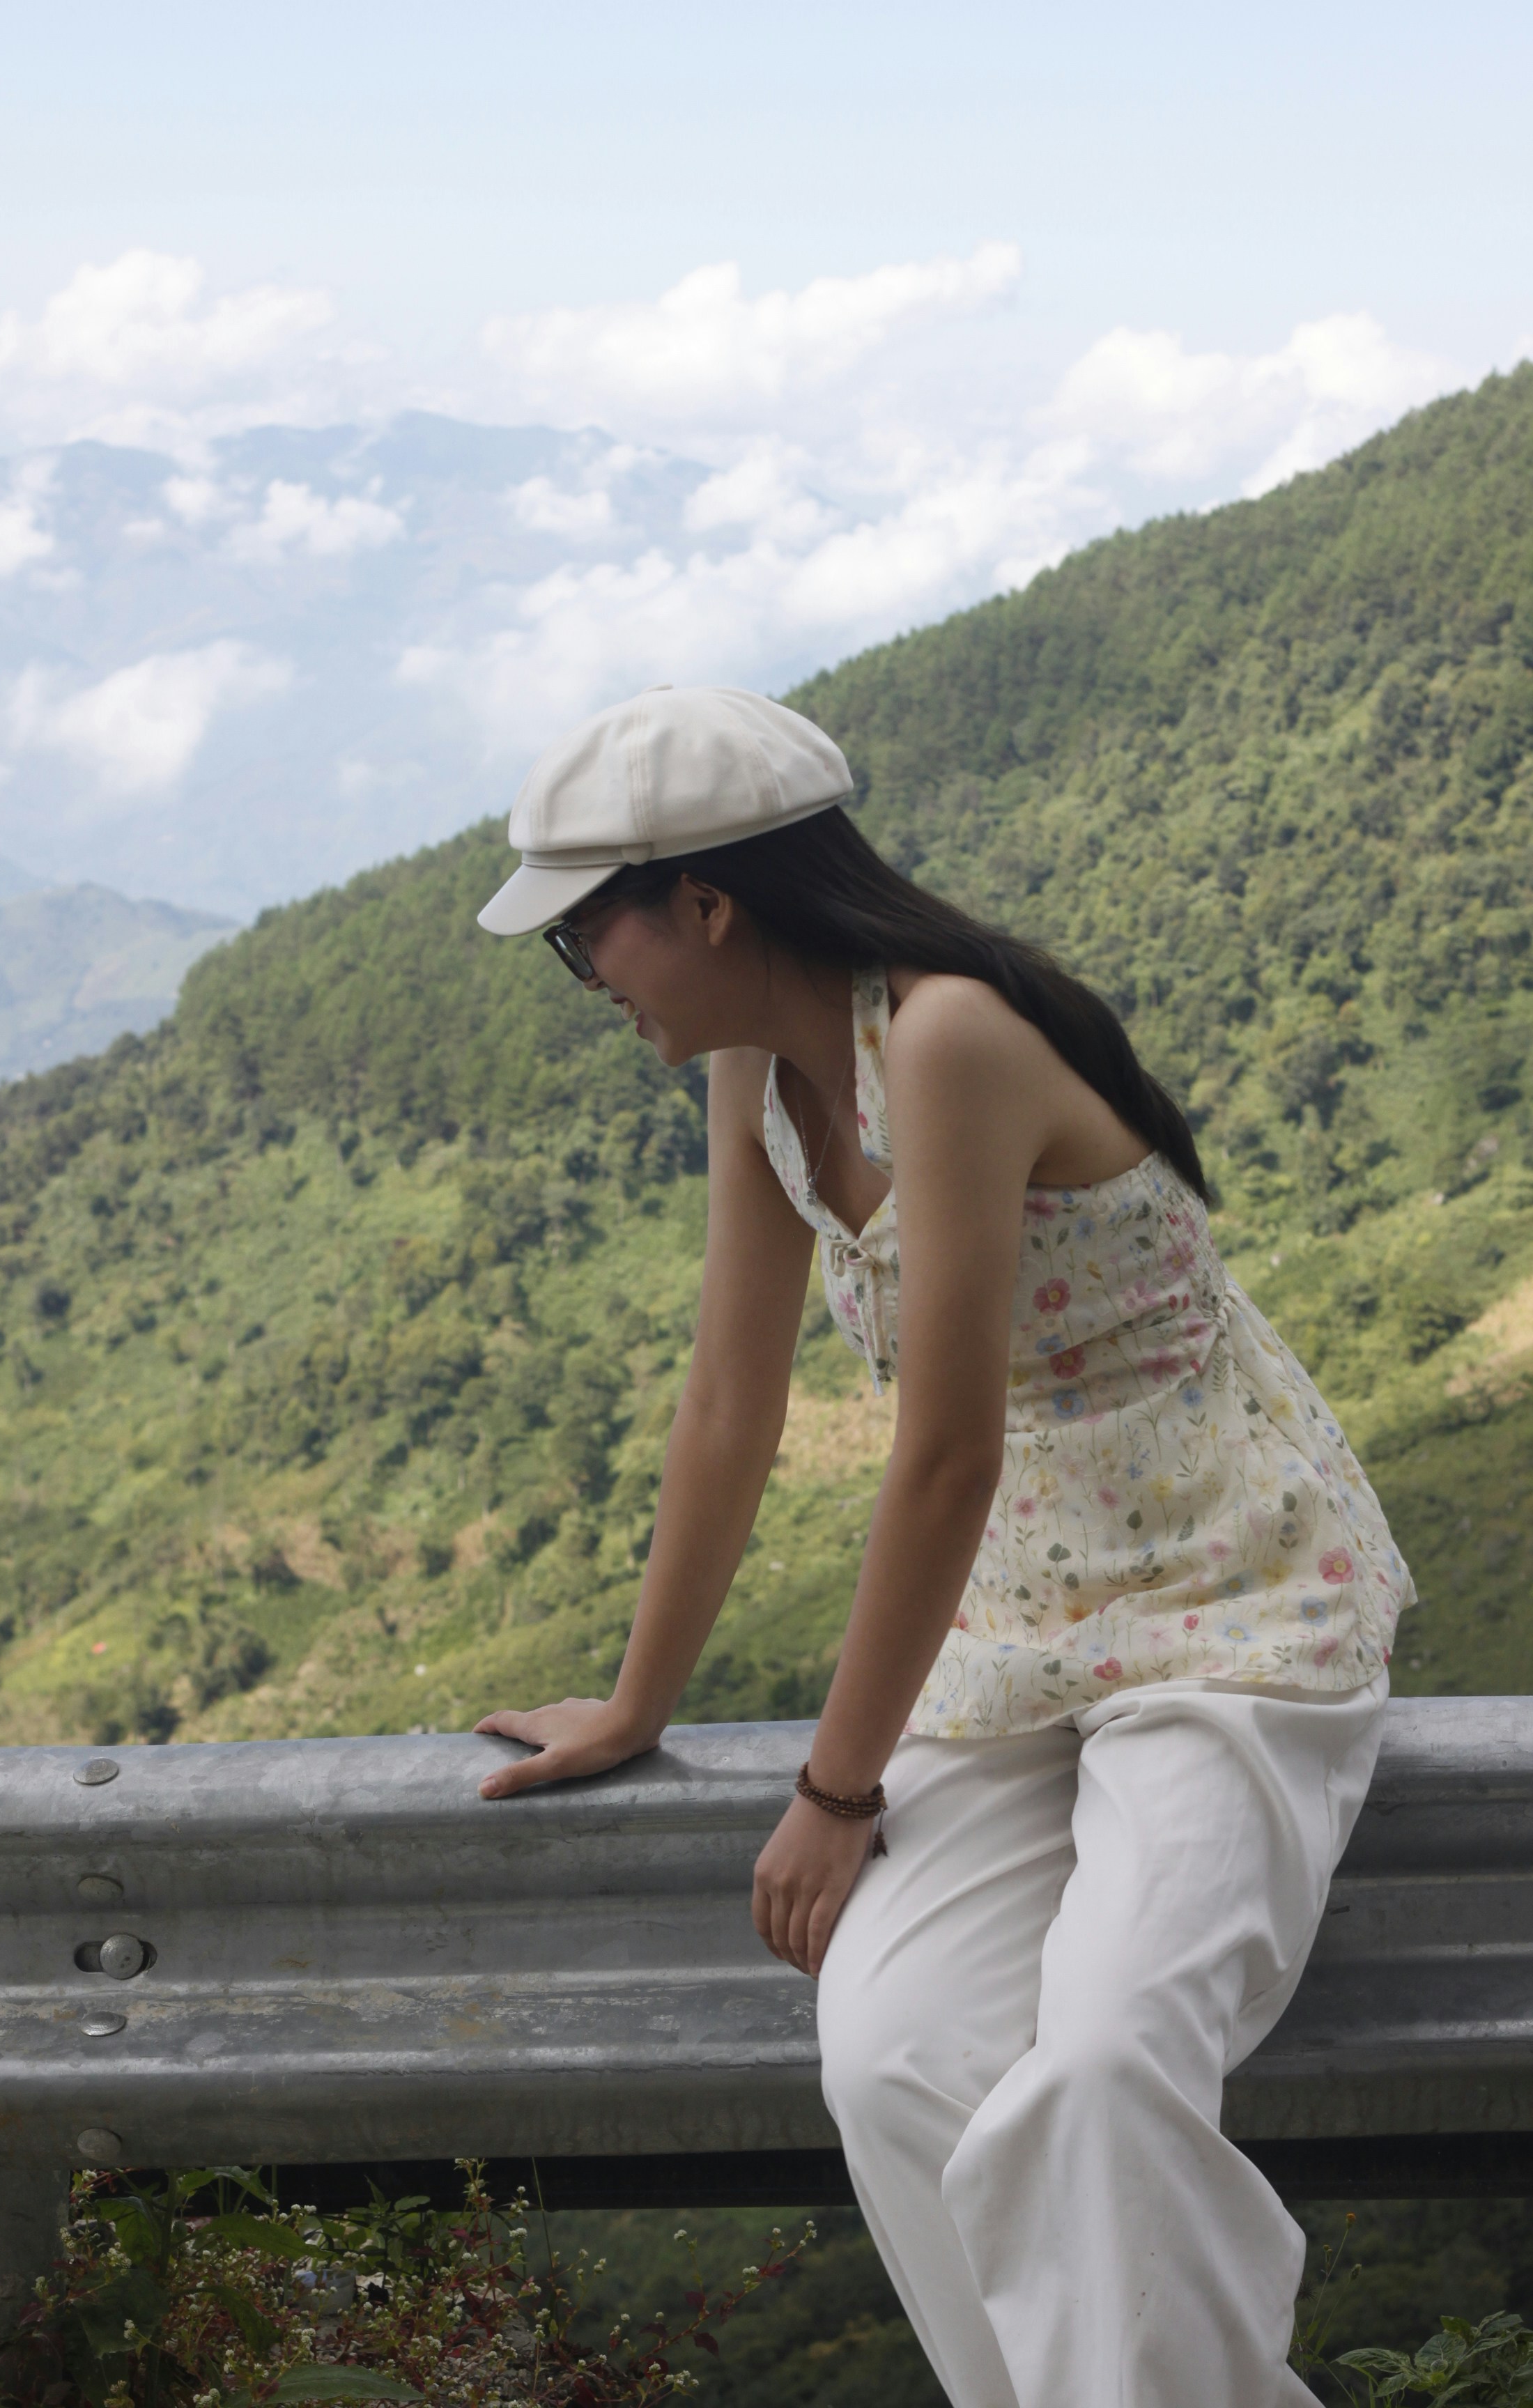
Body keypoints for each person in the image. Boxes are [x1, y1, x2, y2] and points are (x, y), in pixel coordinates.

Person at [471, 684, 1413, 2408]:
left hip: (1227, 1594)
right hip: (1014, 1628)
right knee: (898, 2060)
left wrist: (833, 1797)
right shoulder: (763, 1072)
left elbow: (947, 1449)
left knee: (1107, 2072)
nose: (584, 974)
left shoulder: (949, 1038)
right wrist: (633, 1703)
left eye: (584, 932)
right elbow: (728, 1409)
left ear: (706, 903)